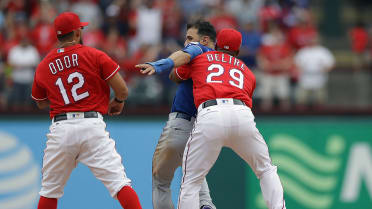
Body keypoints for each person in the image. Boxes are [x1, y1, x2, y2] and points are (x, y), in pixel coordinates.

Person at [140, 28, 287, 209]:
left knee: (191, 181)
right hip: (242, 114)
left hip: (211, 114)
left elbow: (176, 76)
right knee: (266, 169)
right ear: (238, 51)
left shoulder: (200, 58)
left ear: (216, 45)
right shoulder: (247, 72)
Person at [31, 12, 142, 209]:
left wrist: (62, 98)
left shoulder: (44, 65)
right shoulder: (94, 54)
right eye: (80, 29)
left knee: (49, 191)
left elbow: (40, 102)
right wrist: (118, 101)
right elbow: (122, 89)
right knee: (119, 184)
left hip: (61, 127)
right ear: (76, 33)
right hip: (91, 125)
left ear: (58, 36)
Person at [136, 20, 217, 209]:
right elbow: (177, 75)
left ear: (204, 40)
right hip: (206, 128)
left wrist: (159, 65)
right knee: (195, 175)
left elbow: (178, 66)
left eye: (190, 38)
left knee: (161, 182)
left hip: (181, 125)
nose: (187, 43)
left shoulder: (198, 51)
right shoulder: (222, 63)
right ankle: (205, 205)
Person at [294, 35, 335, 109]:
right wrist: (299, 70)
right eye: (311, 40)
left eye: (314, 40)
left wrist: (324, 69)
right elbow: (296, 64)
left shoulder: (323, 51)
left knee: (320, 100)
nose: (313, 42)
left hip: (319, 79)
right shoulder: (303, 51)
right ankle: (301, 118)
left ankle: (320, 118)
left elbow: (331, 64)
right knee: (301, 100)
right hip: (305, 79)